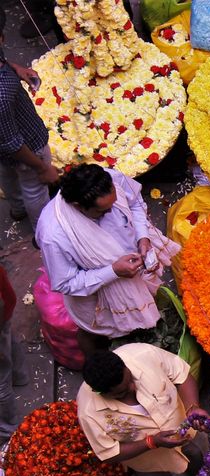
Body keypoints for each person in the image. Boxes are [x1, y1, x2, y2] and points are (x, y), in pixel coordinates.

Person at [36, 163, 179, 357]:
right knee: (95, 335)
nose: (113, 212)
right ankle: (97, 365)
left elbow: (135, 203)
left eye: (114, 204)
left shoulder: (112, 179)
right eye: (103, 212)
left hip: (135, 274)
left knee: (139, 320)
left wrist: (142, 237)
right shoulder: (54, 235)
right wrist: (113, 271)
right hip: (95, 299)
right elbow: (66, 283)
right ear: (79, 207)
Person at [76, 345, 207, 476]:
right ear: (101, 393)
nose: (132, 388)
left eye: (130, 380)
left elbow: (182, 375)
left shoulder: (143, 354)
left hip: (187, 430)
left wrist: (192, 406)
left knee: (197, 454)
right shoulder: (89, 412)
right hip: (148, 460)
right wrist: (151, 443)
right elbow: (109, 453)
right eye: (121, 393)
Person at [0, 10, 60, 226]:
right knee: (35, 188)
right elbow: (12, 143)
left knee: (7, 173)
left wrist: (15, 69)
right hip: (28, 144)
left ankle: (17, 209)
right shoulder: (2, 93)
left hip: (5, 149)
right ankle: (42, 231)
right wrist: (42, 168)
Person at [0, 265, 29, 441]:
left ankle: (8, 428)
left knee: (0, 383)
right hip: (5, 308)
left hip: (1, 310)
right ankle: (20, 376)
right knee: (7, 338)